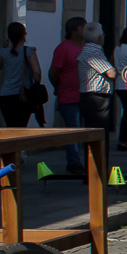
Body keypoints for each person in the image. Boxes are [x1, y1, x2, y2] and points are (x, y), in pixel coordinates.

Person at [48, 16, 87, 175]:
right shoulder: (63, 48)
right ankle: (74, 163)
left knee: (82, 132)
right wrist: (59, 87)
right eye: (83, 27)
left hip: (84, 96)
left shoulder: (85, 47)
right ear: (74, 30)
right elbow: (53, 72)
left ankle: (81, 161)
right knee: (73, 130)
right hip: (69, 98)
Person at [77, 23, 117, 155]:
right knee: (98, 135)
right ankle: (98, 165)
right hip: (96, 97)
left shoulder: (90, 50)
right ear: (99, 37)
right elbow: (111, 73)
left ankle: (97, 162)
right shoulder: (93, 52)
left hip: (92, 96)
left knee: (96, 134)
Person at [0, 21, 42, 130]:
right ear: (23, 35)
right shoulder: (28, 51)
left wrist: (4, 48)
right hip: (23, 95)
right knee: (21, 127)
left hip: (6, 95)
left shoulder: (4, 52)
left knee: (10, 127)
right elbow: (37, 72)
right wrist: (36, 85)